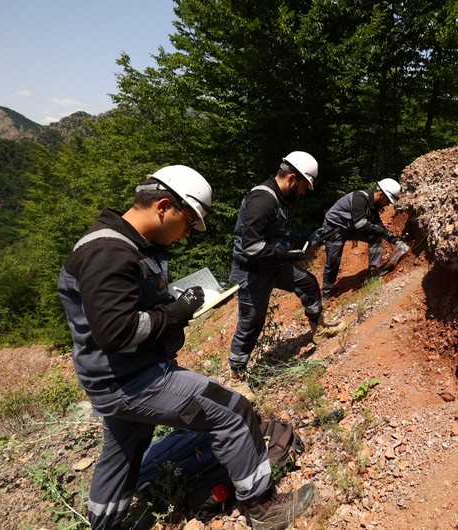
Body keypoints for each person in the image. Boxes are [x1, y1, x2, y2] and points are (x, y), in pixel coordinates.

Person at [57, 164, 314, 530]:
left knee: (121, 457)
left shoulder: (121, 245)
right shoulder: (109, 252)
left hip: (114, 378)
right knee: (233, 411)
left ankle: (105, 525)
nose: (187, 234)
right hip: (134, 379)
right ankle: (262, 507)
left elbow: (122, 313)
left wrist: (171, 305)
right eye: (188, 223)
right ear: (164, 206)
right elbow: (117, 332)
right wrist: (178, 311)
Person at [228, 151, 347, 386]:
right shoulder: (262, 200)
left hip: (271, 264)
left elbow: (280, 234)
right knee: (251, 321)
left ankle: (319, 330)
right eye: (303, 187)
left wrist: (307, 238)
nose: (303, 193)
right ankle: (236, 376)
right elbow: (251, 247)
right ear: (292, 178)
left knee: (307, 283)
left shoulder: (279, 200)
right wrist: (287, 254)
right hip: (252, 270)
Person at [318, 178, 405, 299]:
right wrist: (381, 231)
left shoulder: (373, 205)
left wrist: (392, 238)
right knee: (333, 259)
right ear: (381, 195)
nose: (388, 204)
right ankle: (326, 293)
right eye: (388, 201)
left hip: (351, 227)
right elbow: (361, 224)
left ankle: (372, 270)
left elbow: (377, 224)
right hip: (335, 228)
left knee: (375, 234)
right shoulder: (360, 198)